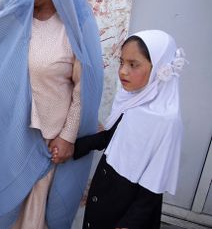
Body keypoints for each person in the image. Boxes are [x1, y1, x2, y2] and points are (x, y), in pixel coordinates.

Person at [0, 0, 103, 228]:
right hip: (10, 144)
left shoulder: (73, 30)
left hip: (46, 149)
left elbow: (84, 90)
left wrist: (67, 137)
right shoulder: (16, 18)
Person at [73, 30, 187, 229]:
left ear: (159, 67)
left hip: (125, 209)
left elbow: (153, 185)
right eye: (121, 62)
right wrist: (74, 147)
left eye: (133, 64)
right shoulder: (133, 100)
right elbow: (112, 137)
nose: (123, 71)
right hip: (104, 195)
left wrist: (128, 224)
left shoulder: (166, 122)